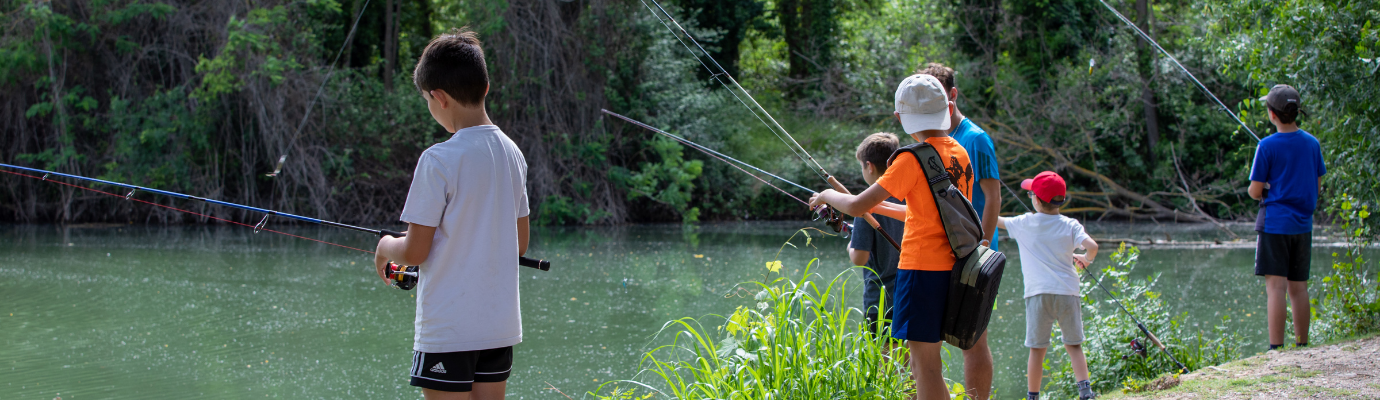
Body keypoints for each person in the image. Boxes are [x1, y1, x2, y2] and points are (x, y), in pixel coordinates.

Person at [373, 28, 531, 400]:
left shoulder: (439, 160)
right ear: (486, 87)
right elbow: (520, 245)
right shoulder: (513, 154)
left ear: (439, 98)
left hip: (449, 332)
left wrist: (384, 246)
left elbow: (413, 253)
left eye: (427, 99)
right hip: (499, 328)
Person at [809, 73, 973, 400]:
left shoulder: (910, 158)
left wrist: (827, 193)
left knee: (923, 367)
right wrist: (881, 208)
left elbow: (856, 206)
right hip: (953, 270)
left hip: (920, 272)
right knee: (929, 364)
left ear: (900, 117)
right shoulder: (957, 151)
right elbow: (926, 212)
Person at [916, 61, 997, 400]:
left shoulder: (975, 139)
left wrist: (982, 247)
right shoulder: (923, 137)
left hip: (969, 253)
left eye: (936, 95)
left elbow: (992, 197)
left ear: (952, 95)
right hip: (933, 253)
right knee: (924, 342)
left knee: (972, 339)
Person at [997, 171, 1098, 400]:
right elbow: (1092, 246)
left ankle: (1033, 396)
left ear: (1036, 199)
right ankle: (1085, 392)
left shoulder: (1024, 222)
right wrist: (1085, 258)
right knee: (1074, 345)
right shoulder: (1071, 225)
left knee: (1037, 349)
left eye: (1031, 192)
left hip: (1037, 295)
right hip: (1068, 293)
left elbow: (995, 220)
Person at [1247, 84, 1325, 351]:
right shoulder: (1312, 143)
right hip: (1303, 226)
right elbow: (1316, 183)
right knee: (1299, 288)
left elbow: (1255, 192)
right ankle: (1303, 344)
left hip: (1274, 225)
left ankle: (1276, 349)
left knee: (1276, 289)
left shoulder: (1266, 146)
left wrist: (1267, 186)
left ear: (1272, 114)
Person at [848, 132, 905, 337]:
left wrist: (851, 244)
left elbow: (859, 258)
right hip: (911, 294)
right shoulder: (909, 196)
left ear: (869, 166)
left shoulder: (865, 204)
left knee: (883, 363)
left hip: (879, 301)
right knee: (907, 361)